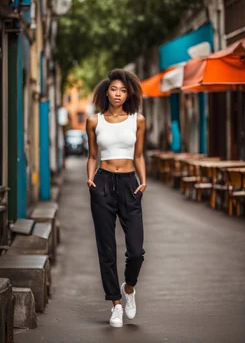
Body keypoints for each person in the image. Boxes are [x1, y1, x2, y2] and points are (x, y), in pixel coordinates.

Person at [86, 69, 146, 328]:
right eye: (114, 89)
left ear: (128, 93)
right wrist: (90, 180)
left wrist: (143, 181)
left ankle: (129, 288)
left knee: (136, 251)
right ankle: (116, 305)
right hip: (102, 183)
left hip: (130, 184)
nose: (118, 94)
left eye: (123, 90)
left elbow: (139, 155)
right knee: (106, 248)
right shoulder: (94, 121)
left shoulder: (137, 120)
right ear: (106, 92)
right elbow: (91, 155)